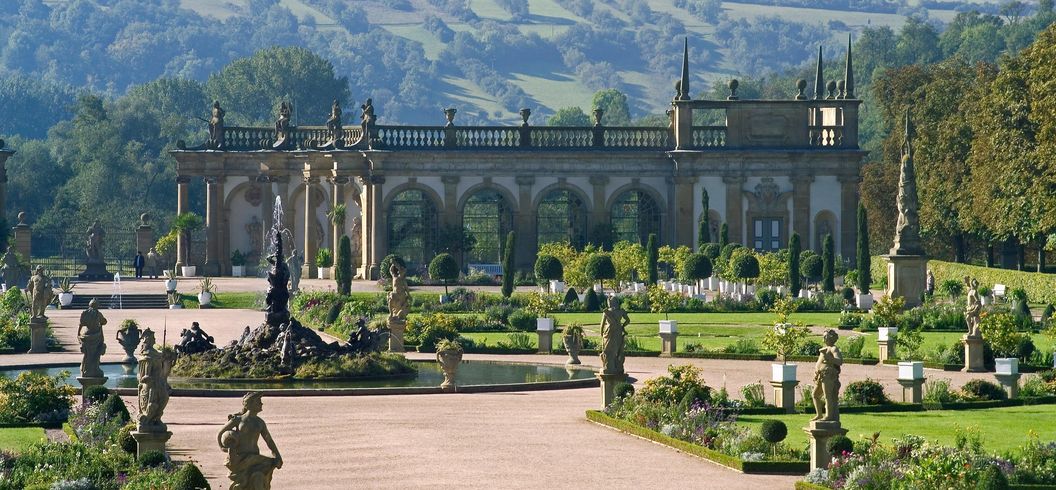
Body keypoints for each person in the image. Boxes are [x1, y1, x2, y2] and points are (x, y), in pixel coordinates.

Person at [218, 392, 283, 490]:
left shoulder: (260, 422)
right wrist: (224, 448)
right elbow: (220, 434)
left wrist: (277, 456)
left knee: (260, 477)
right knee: (242, 484)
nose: (261, 404)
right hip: (239, 458)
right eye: (259, 402)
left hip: (254, 458)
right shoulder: (238, 419)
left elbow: (269, 441)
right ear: (250, 404)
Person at [811, 329, 843, 422]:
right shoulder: (824, 349)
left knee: (828, 396)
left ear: (832, 338)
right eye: (823, 336)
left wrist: (829, 358)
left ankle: (829, 416)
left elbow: (839, 361)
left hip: (829, 375)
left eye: (826, 336)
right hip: (820, 376)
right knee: (815, 395)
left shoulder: (833, 349)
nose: (824, 338)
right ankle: (819, 415)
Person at [600, 296, 630, 376]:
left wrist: (601, 333)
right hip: (618, 330)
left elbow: (602, 325)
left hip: (608, 331)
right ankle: (617, 365)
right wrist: (623, 326)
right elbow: (628, 320)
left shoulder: (606, 312)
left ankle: (609, 366)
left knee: (607, 349)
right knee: (617, 348)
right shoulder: (621, 311)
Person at [78, 299, 108, 378]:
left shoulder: (85, 313)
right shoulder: (98, 313)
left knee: (88, 354)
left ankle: (85, 369)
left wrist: (78, 333)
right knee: (95, 353)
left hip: (86, 335)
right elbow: (104, 321)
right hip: (96, 336)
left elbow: (81, 324)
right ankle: (93, 370)